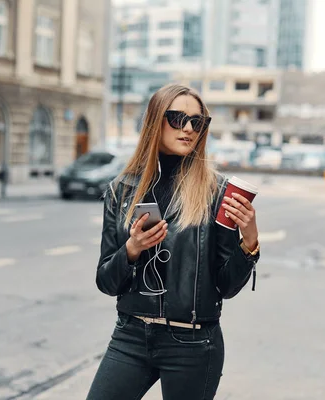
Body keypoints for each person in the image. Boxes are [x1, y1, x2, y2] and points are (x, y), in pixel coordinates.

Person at [87, 84, 260, 400]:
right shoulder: (122, 190)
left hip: (193, 343)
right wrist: (132, 249)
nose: (189, 128)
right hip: (131, 336)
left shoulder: (216, 193)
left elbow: (227, 286)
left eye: (198, 121)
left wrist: (249, 242)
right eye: (178, 118)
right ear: (155, 121)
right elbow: (106, 281)